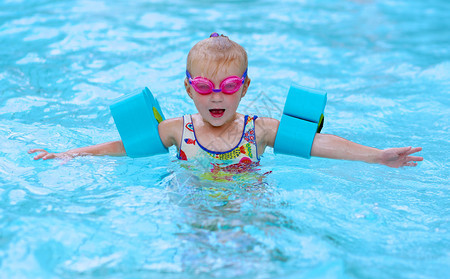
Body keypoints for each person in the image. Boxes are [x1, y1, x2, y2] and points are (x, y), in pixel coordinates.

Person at [28, 33, 423, 170]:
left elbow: (317, 143)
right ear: (188, 90)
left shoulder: (260, 129)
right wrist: (71, 155)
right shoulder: (176, 130)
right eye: (204, 86)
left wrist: (375, 156)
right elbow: (125, 148)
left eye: (230, 85)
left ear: (245, 88)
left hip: (249, 203)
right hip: (192, 201)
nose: (217, 94)